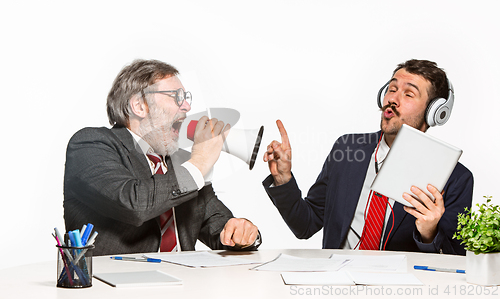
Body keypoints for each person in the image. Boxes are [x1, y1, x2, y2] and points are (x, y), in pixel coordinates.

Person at [263, 59, 473, 255]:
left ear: (434, 112)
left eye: (408, 94)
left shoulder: (456, 178)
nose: (392, 99)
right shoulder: (347, 149)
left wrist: (429, 232)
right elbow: (305, 225)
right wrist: (283, 178)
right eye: (391, 89)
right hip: (337, 284)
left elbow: (455, 261)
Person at [64, 59, 260, 256]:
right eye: (177, 97)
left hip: (187, 282)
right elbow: (135, 204)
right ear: (139, 106)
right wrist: (199, 163)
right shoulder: (91, 144)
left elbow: (218, 227)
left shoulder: (182, 161)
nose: (186, 107)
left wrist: (242, 233)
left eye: (186, 98)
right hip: (116, 282)